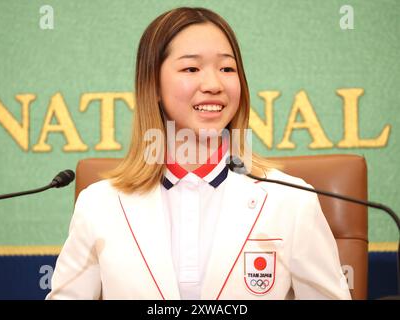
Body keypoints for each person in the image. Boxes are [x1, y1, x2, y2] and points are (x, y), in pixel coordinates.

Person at [47, 7, 351, 300]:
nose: (214, 84)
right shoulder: (99, 204)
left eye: (227, 68)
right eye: (191, 68)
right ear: (152, 84)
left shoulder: (292, 200)